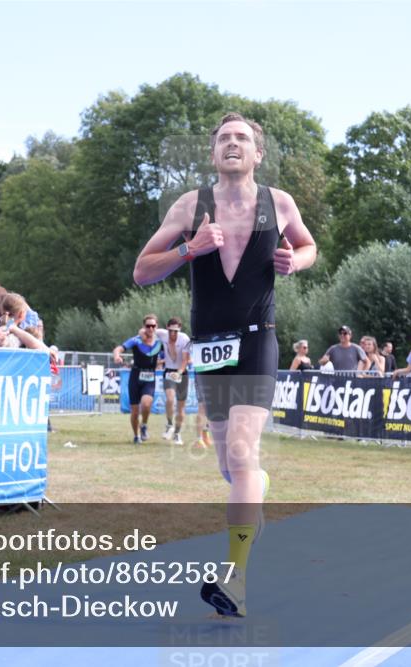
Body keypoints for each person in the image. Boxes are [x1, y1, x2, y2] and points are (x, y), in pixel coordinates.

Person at [132, 112, 317, 618]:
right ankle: (257, 485)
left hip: (257, 340)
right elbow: (142, 271)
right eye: (224, 139)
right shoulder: (190, 206)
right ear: (213, 153)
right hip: (210, 345)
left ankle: (234, 580)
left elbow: (308, 245)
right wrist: (189, 249)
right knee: (232, 467)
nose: (232, 144)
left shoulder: (279, 202)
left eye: (242, 138)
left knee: (238, 452)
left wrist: (295, 261)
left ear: (258, 153)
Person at [112, 314, 164, 444]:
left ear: (156, 326)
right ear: (144, 326)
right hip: (135, 376)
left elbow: (171, 352)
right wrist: (117, 356)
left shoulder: (160, 342)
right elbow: (119, 348)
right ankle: (136, 436)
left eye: (153, 326)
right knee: (134, 411)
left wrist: (163, 362)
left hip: (150, 377)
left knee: (146, 404)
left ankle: (144, 425)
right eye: (148, 326)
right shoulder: (136, 340)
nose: (151, 328)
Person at [154, 317, 192, 445]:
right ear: (167, 328)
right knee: (170, 399)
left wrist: (179, 372)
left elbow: (185, 360)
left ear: (180, 329)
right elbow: (144, 331)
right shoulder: (162, 334)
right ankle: (169, 424)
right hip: (169, 371)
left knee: (181, 407)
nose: (173, 333)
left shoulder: (184, 338)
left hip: (182, 372)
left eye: (176, 331)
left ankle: (177, 433)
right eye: (170, 330)